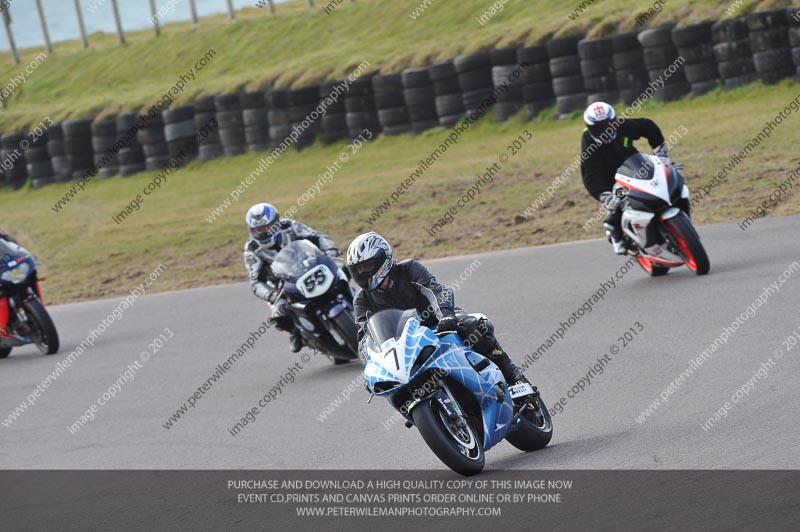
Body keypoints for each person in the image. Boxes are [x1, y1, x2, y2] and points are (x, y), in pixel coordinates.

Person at [345, 231, 534, 389]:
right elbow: (364, 340)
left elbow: (437, 290)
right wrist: (369, 367)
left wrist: (446, 316)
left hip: (439, 322)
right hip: (404, 346)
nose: (363, 273)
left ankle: (511, 373)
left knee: (476, 326)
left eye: (367, 265)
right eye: (358, 269)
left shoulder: (408, 269)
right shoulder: (361, 300)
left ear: (382, 258)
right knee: (387, 385)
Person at [580, 101, 679, 255]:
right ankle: (615, 234)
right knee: (617, 203)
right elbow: (590, 175)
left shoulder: (622, 125)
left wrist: (662, 156)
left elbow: (648, 127)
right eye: (599, 128)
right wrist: (604, 195)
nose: (605, 131)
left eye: (608, 126)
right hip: (612, 180)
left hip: (636, 167)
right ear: (591, 128)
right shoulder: (588, 144)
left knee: (665, 178)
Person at [243, 203, 340, 353]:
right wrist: (271, 295)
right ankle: (295, 332)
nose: (263, 232)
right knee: (279, 314)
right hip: (281, 286)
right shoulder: (251, 249)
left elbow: (316, 236)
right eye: (258, 229)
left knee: (342, 272)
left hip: (309, 266)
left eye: (266, 227)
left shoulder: (289, 225)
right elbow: (255, 282)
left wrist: (330, 249)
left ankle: (358, 302)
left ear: (275, 223)